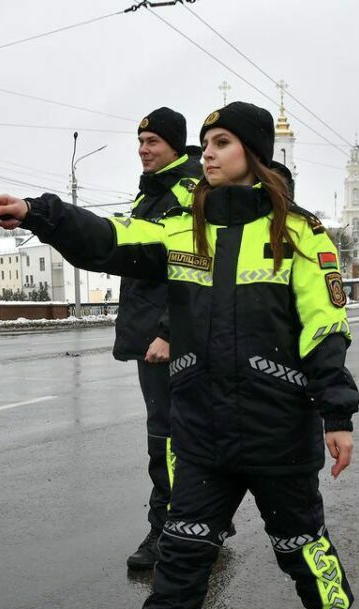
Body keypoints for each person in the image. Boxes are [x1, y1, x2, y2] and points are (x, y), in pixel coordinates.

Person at [0, 102, 359, 609]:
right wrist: (38, 215)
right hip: (203, 430)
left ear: (254, 154)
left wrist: (337, 416)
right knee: (182, 557)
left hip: (275, 432)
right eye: (205, 143)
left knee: (303, 552)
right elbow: (110, 239)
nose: (206, 154)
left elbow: (326, 330)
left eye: (220, 143)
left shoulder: (301, 233)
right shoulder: (182, 229)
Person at [119, 107, 203, 571]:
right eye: (141, 141)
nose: (143, 149)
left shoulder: (184, 190)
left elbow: (195, 264)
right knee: (175, 433)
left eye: (152, 142)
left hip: (168, 336)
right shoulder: (151, 191)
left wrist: (171, 331)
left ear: (174, 144)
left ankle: (169, 530)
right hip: (150, 329)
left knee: (167, 437)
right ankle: (198, 519)